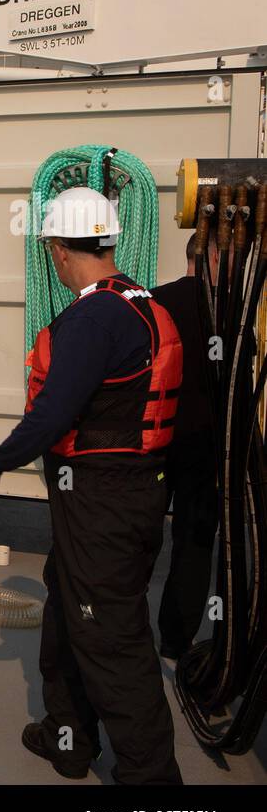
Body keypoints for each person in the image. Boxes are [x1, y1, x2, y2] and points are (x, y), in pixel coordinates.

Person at [0, 187, 183, 784]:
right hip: (124, 497)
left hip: (104, 503)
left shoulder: (94, 317)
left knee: (114, 645)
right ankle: (69, 738)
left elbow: (55, 411)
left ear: (59, 251)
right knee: (66, 606)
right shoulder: (143, 302)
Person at [149, 235, 220, 660]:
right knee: (193, 543)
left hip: (154, 442)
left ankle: (117, 631)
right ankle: (176, 641)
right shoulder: (227, 313)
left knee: (138, 537)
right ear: (213, 255)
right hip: (204, 448)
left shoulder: (154, 303)